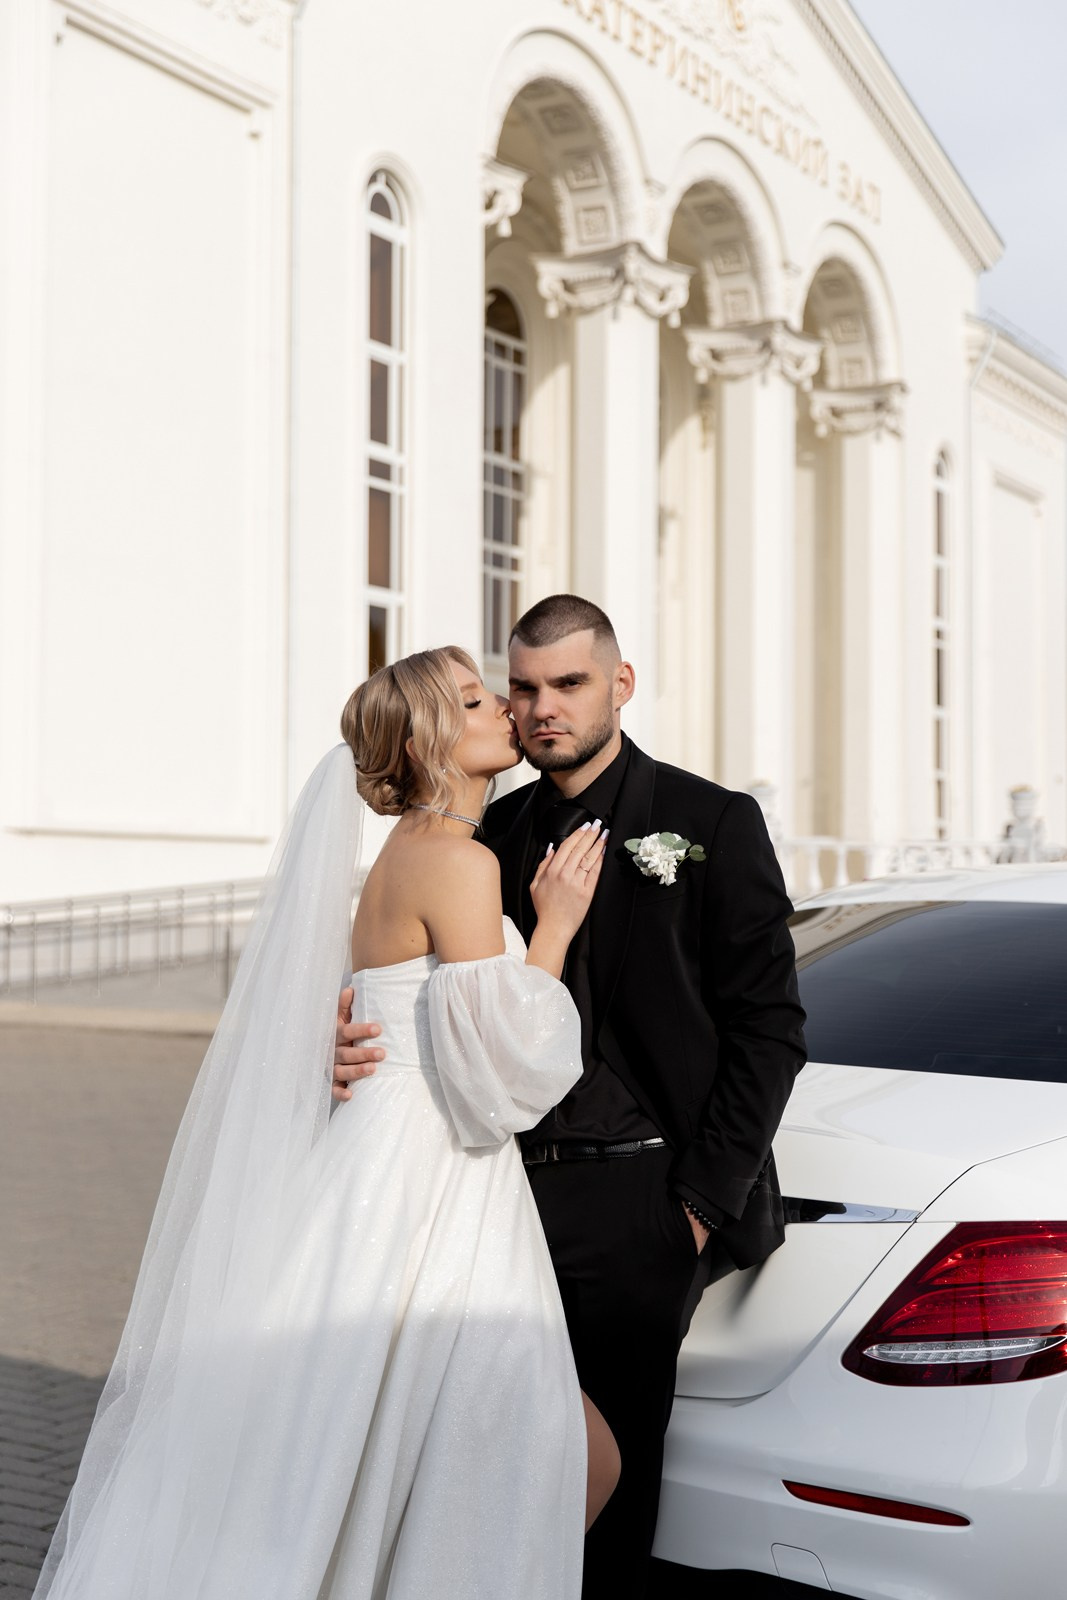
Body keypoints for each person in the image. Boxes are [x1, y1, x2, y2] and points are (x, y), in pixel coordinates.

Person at [34, 645, 618, 1600]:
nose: (504, 713)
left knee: (374, 1455)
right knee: (529, 1450)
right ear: (432, 740)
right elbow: (502, 1073)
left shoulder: (403, 858)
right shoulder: (459, 862)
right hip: (435, 1180)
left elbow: (401, 1017)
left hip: (380, 1172)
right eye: (475, 701)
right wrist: (552, 924)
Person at [334, 599, 807, 1600]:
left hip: (642, 1202)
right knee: (482, 1463)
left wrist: (694, 1208)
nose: (541, 707)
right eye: (523, 688)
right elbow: (427, 996)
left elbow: (768, 1028)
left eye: (569, 684)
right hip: (488, 1195)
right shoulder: (484, 828)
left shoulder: (709, 821)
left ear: (618, 685)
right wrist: (345, 1046)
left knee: (610, 1481)